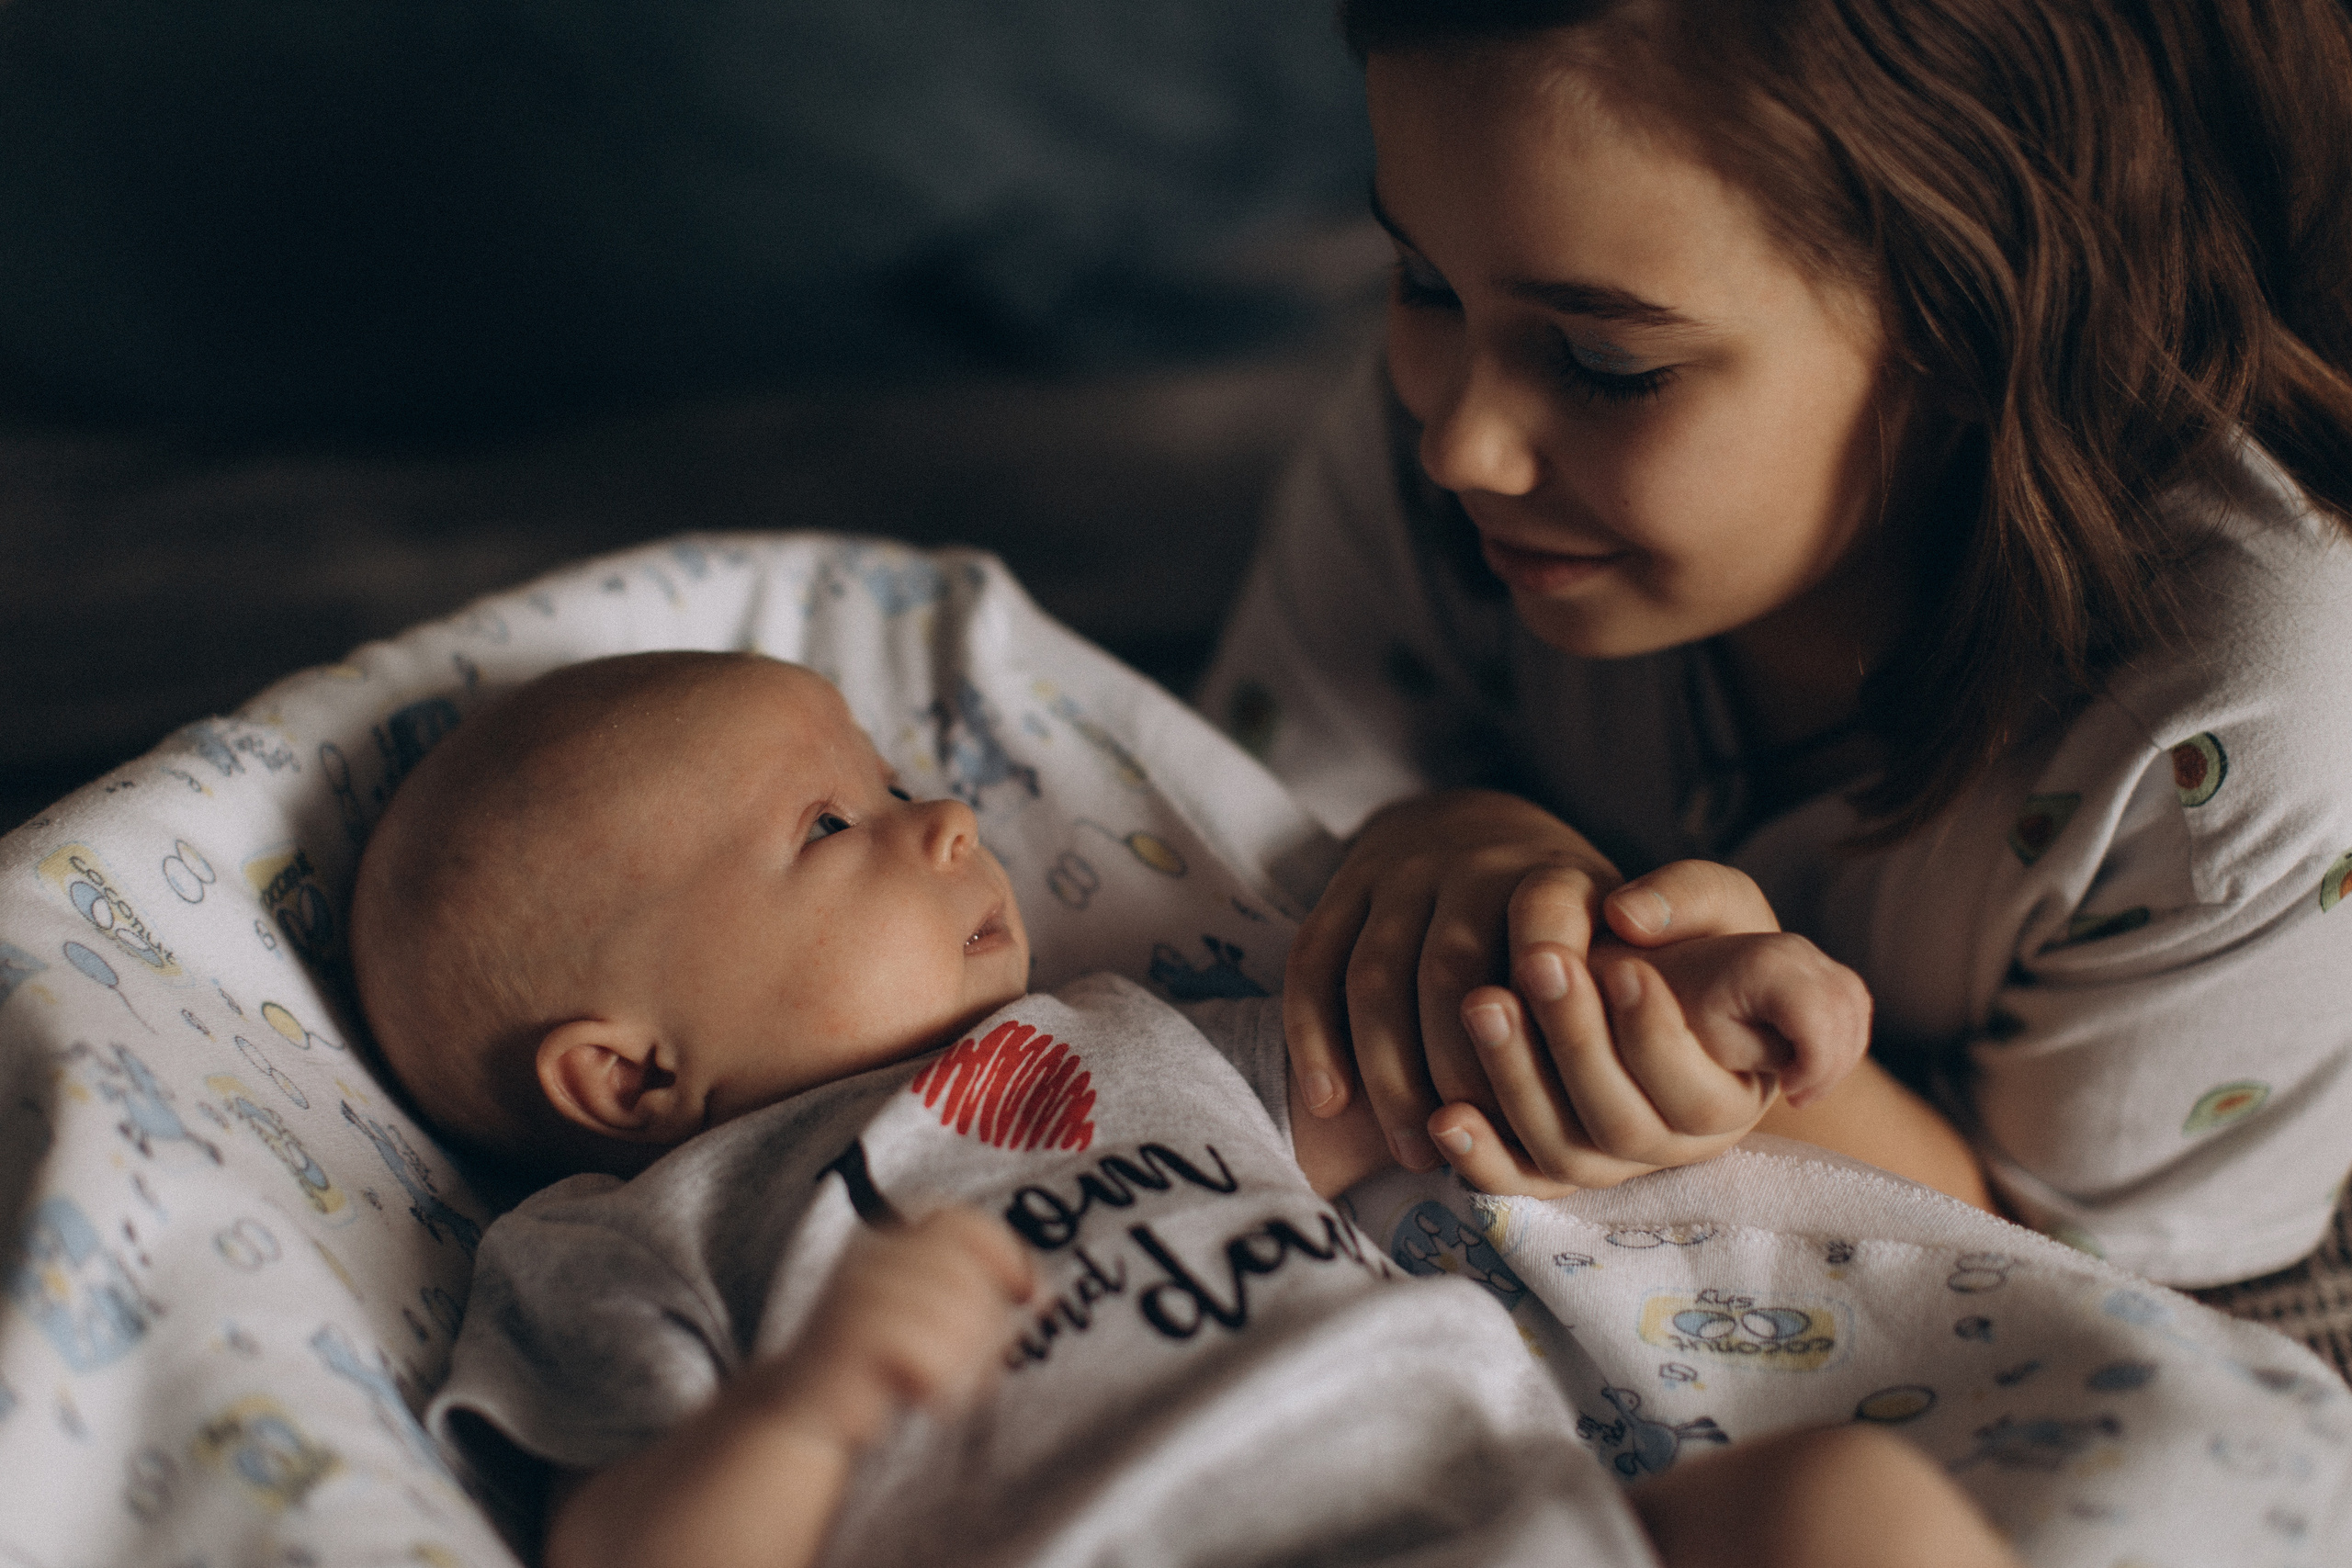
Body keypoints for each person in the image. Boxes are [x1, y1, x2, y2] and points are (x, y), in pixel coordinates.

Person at [351, 650, 2009, 1568]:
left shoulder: (1124, 1037)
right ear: (628, 1073)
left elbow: (1452, 1059)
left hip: (1516, 1517)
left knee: (1843, 1513)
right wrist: (806, 1412)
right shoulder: (628, 1236)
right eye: (829, 829)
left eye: (906, 783)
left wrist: (1701, 1012)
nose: (943, 826)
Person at [1198, 0, 2352, 1289]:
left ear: (1976, 323)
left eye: (1603, 360)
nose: (1458, 441)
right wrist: (1441, 833)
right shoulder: (1438, 450)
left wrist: (1718, 1066)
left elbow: (2096, 1288)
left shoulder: (2241, 730)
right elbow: (1223, 846)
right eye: (1421, 281)